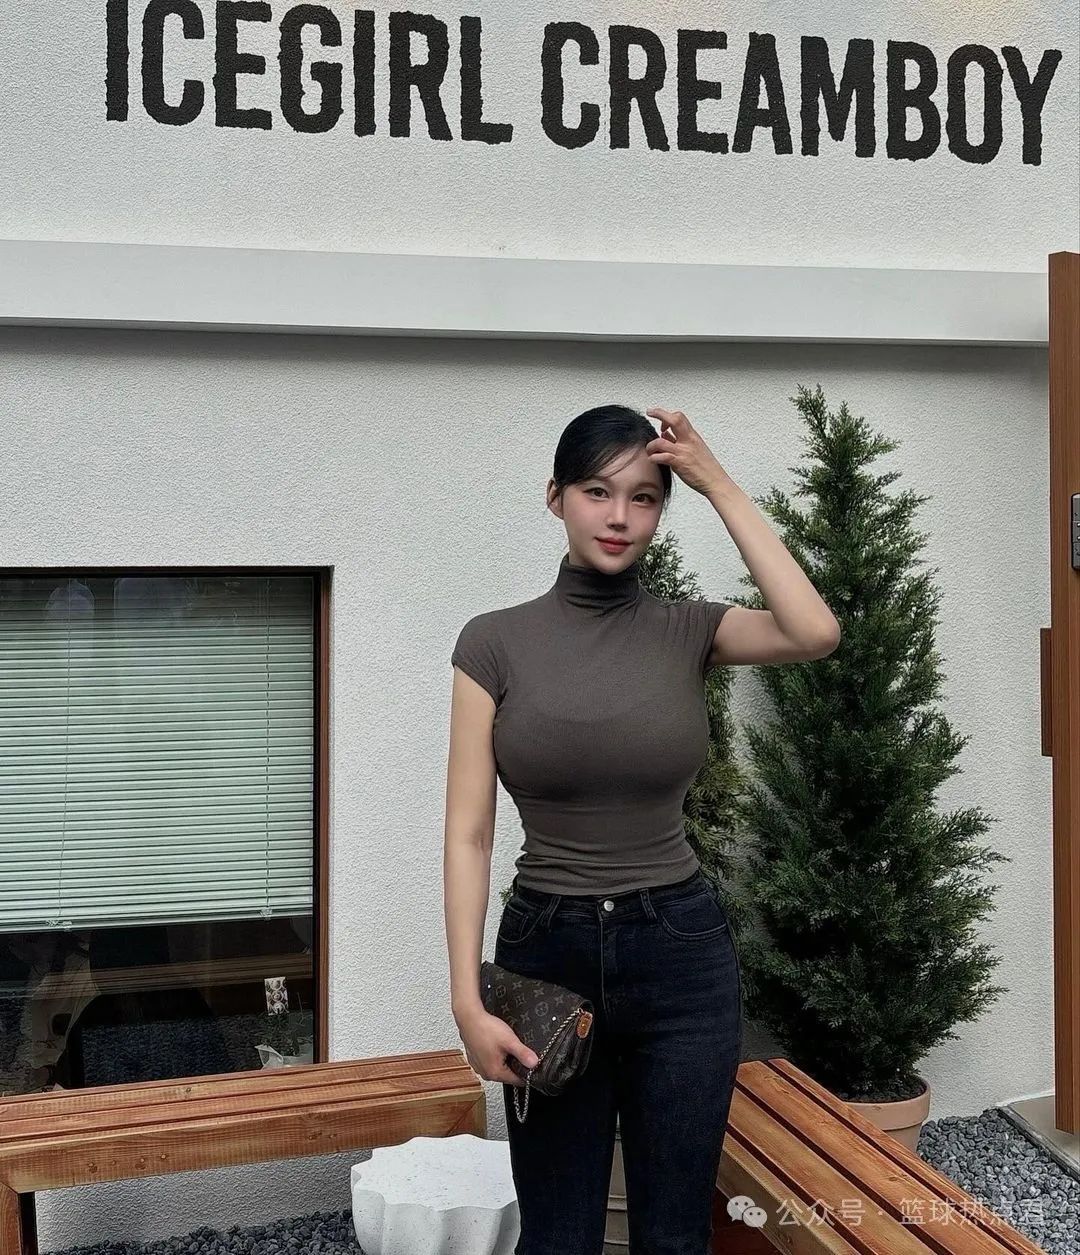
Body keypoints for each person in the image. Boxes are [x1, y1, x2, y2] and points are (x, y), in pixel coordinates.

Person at [444, 403, 840, 1255]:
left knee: (674, 1235)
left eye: (645, 497)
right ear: (555, 496)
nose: (619, 516)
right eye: (597, 491)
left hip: (680, 953)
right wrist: (467, 1002)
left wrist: (716, 481)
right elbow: (469, 833)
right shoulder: (491, 644)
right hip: (547, 955)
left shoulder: (689, 629)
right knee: (558, 1236)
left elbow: (815, 629)